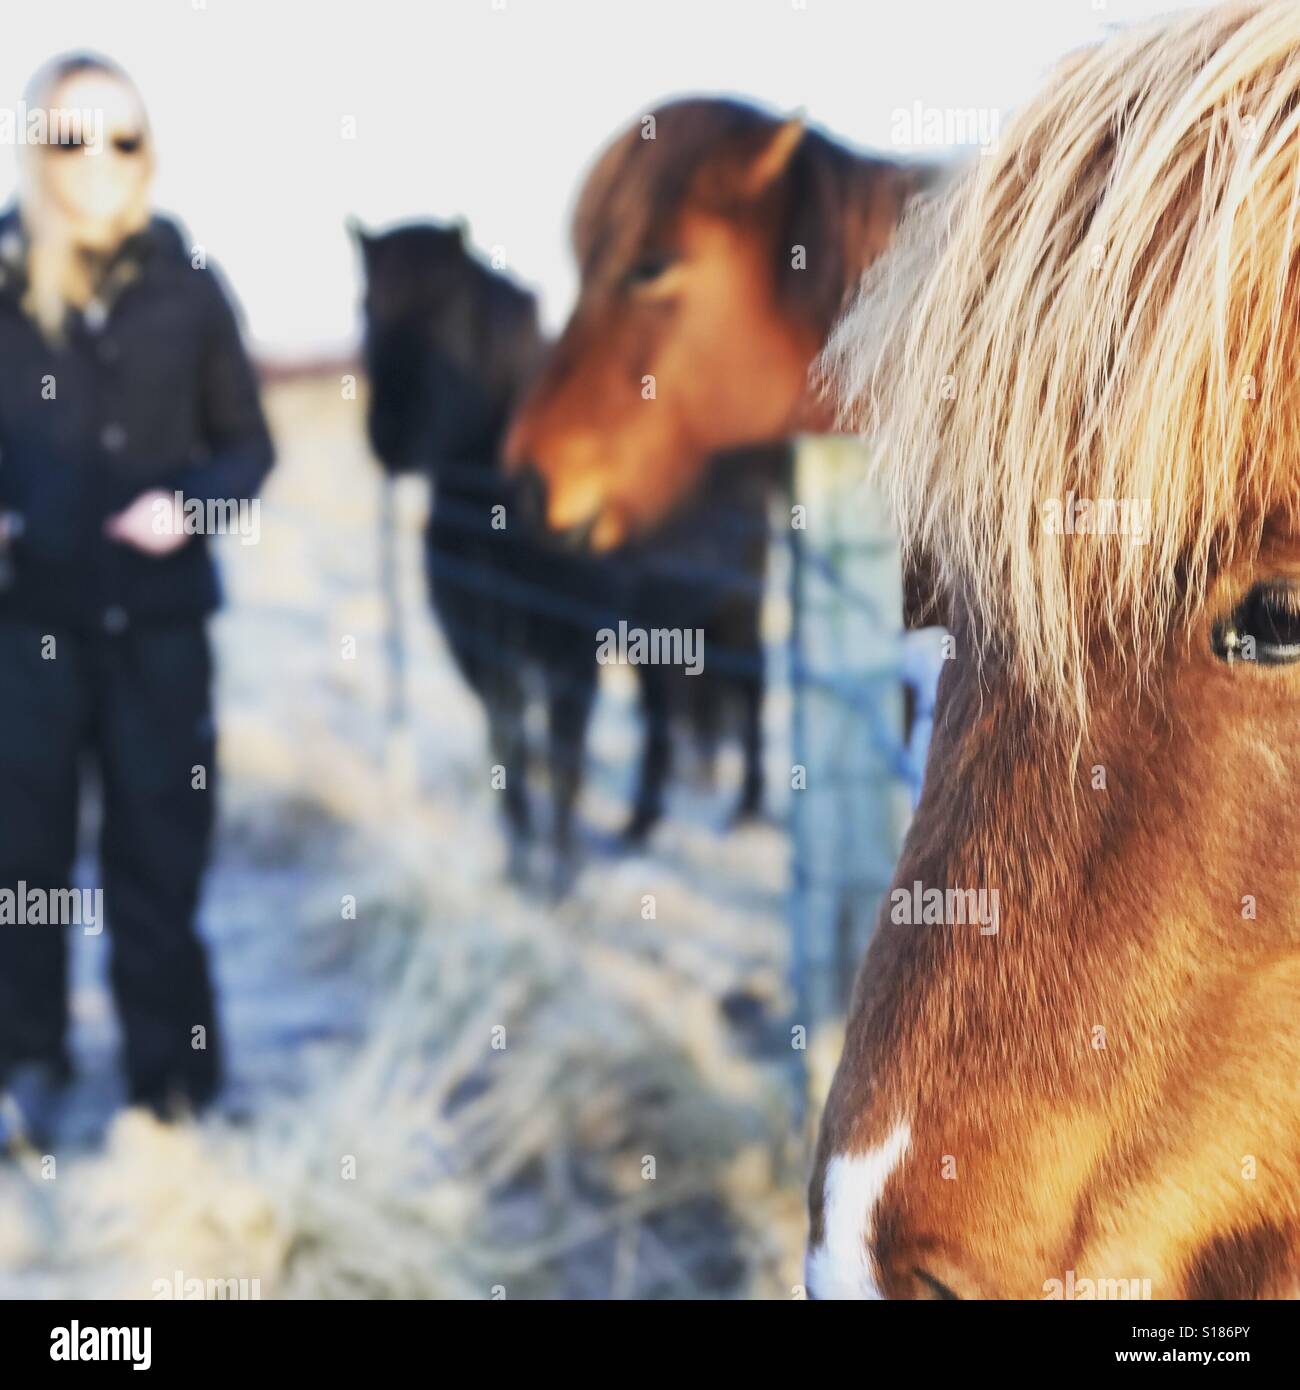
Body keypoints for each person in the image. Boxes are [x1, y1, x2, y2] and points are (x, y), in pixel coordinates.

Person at [0, 54, 274, 1140]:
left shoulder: (190, 281)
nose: (97, 161)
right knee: (22, 865)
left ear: (145, 150)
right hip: (26, 634)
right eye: (71, 137)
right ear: (38, 148)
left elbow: (248, 447)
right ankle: (25, 1061)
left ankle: (170, 1090)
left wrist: (191, 509)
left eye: (120, 136)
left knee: (159, 862)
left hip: (161, 635)